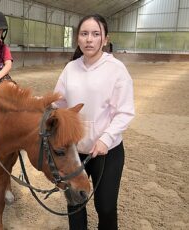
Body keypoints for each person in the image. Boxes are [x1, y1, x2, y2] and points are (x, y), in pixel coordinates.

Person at [53, 14, 135, 230]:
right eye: (84, 34)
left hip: (106, 152)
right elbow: (59, 103)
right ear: (78, 39)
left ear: (105, 39)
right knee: (75, 203)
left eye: (95, 34)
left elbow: (125, 111)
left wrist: (106, 139)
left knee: (105, 207)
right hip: (74, 152)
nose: (89, 39)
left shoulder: (116, 70)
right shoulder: (70, 69)